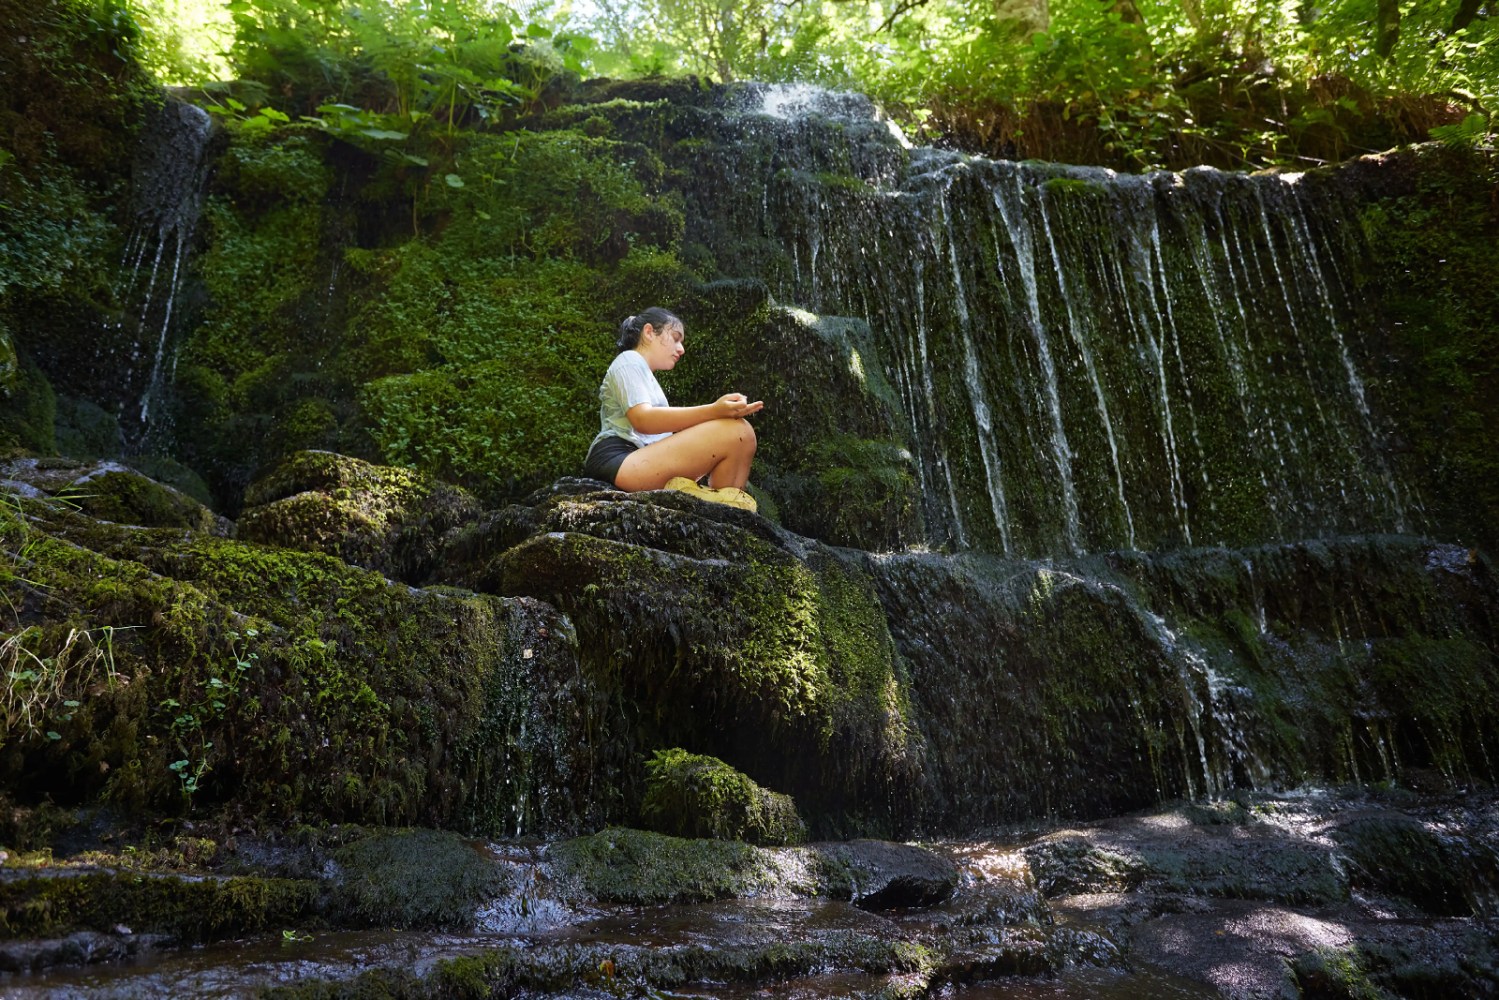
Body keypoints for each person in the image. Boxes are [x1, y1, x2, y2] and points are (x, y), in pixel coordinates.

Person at [583, 308, 763, 511]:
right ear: (649, 332)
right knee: (736, 431)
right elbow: (643, 420)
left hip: (643, 460)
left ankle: (723, 510)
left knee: (743, 437)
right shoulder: (629, 361)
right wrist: (714, 411)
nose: (681, 349)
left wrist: (719, 413)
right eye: (676, 338)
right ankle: (716, 507)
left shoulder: (645, 375)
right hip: (619, 460)